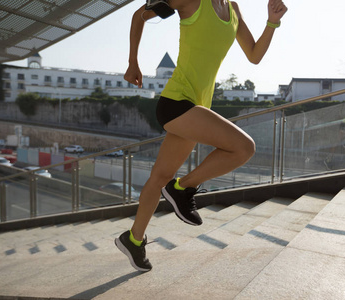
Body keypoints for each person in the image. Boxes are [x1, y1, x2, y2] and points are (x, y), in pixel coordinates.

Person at [115, 0, 287, 272]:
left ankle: (134, 239)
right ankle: (182, 188)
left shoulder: (232, 9)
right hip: (176, 103)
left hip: (196, 108)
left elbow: (254, 55)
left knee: (159, 177)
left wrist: (272, 22)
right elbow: (140, 15)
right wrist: (133, 62)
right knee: (243, 148)